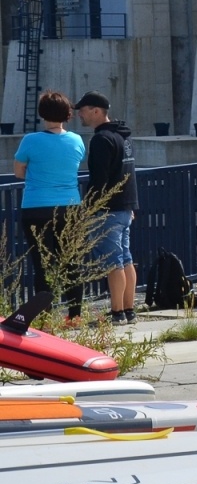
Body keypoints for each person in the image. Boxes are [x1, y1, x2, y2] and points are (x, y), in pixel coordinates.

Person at [14, 90, 87, 317]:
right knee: (72, 262)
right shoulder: (76, 140)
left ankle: (45, 317)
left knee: (42, 264)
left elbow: (18, 172)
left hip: (36, 207)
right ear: (67, 113)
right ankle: (75, 316)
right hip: (70, 207)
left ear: (42, 113)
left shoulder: (31, 140)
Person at [76, 92, 139, 324]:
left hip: (108, 210)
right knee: (126, 259)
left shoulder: (101, 140)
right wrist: (131, 205)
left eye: (83, 110)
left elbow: (98, 179)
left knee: (113, 263)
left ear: (96, 111)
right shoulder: (124, 137)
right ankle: (129, 310)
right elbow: (129, 173)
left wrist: (89, 208)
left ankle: (117, 313)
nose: (80, 115)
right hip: (125, 207)